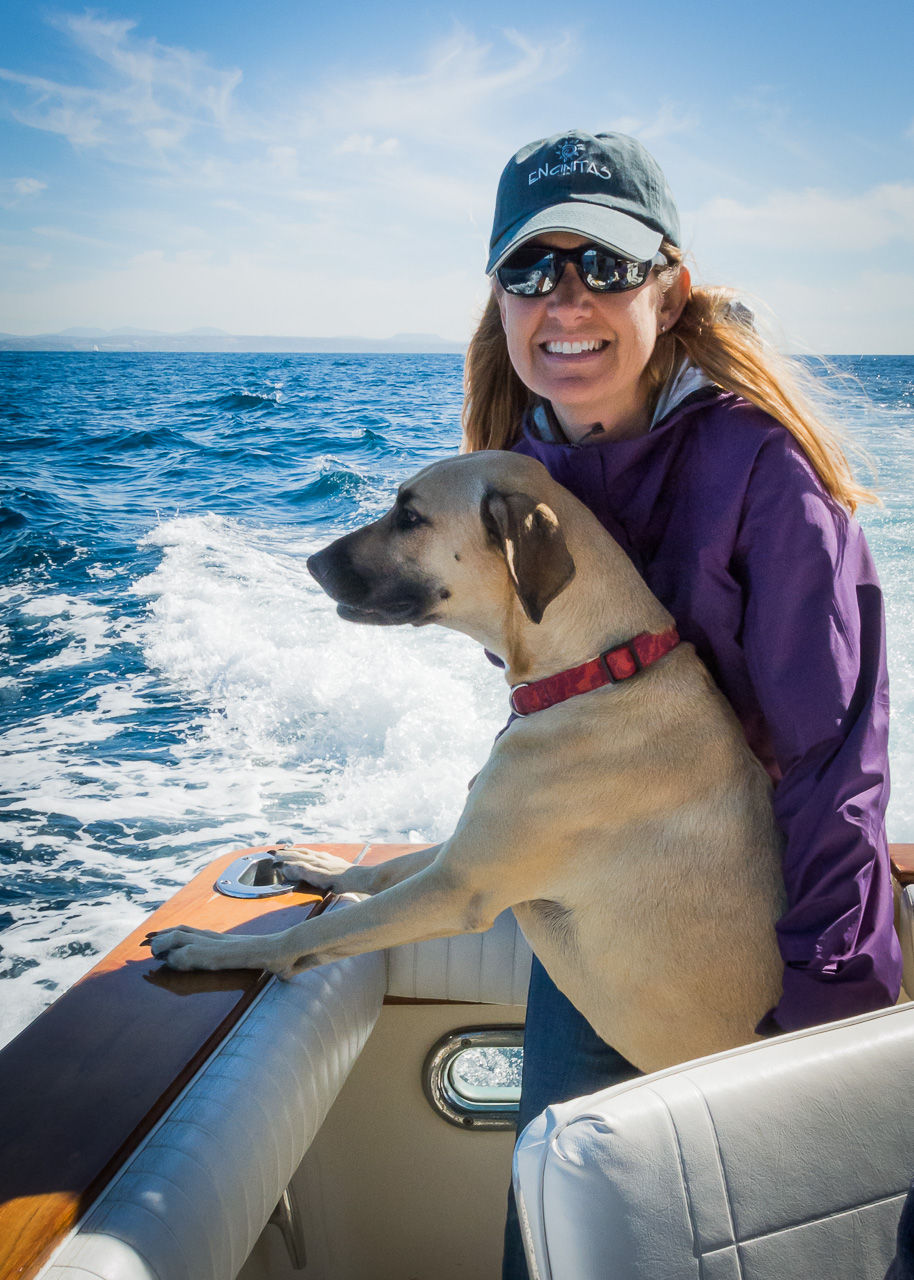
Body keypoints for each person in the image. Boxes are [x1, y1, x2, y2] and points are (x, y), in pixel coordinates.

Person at [461, 129, 904, 1280]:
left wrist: (818, 1016)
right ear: (497, 295)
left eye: (604, 264)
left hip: (770, 957)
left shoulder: (763, 473)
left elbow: (834, 762)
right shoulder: (517, 474)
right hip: (596, 943)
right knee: (555, 1253)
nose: (565, 299)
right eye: (530, 266)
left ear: (668, 286)